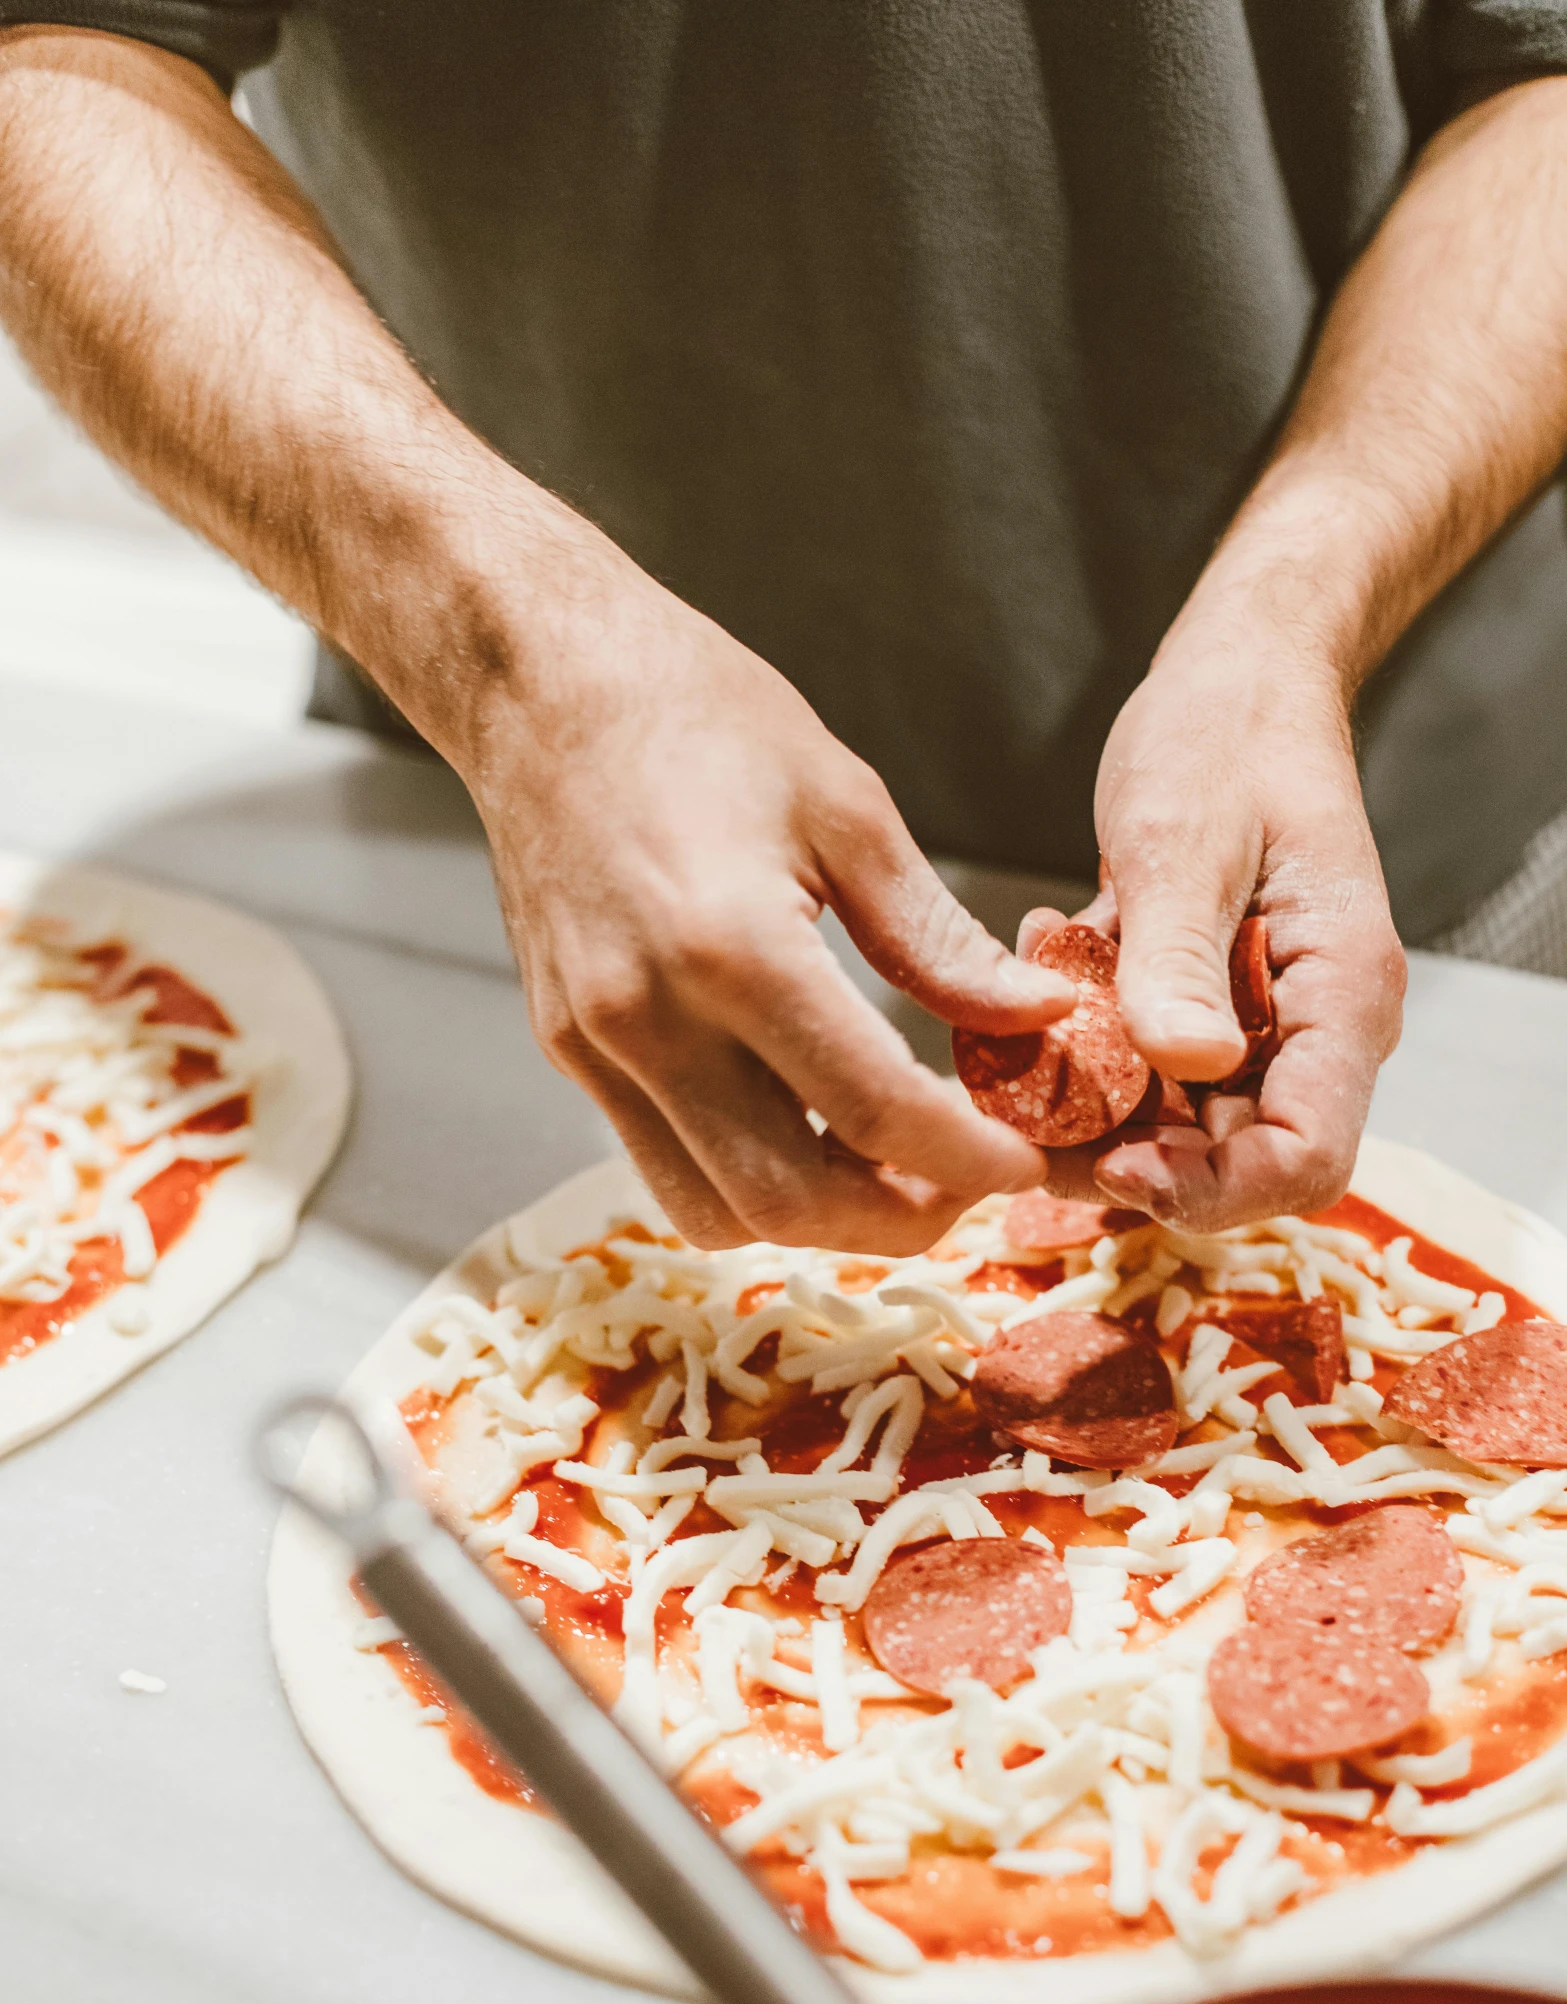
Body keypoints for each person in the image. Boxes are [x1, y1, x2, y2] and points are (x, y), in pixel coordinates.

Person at [2, 6, 1565, 1253]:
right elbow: (58, 61)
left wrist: (1295, 604)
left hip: (1378, 814)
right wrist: (511, 661)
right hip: (537, 848)